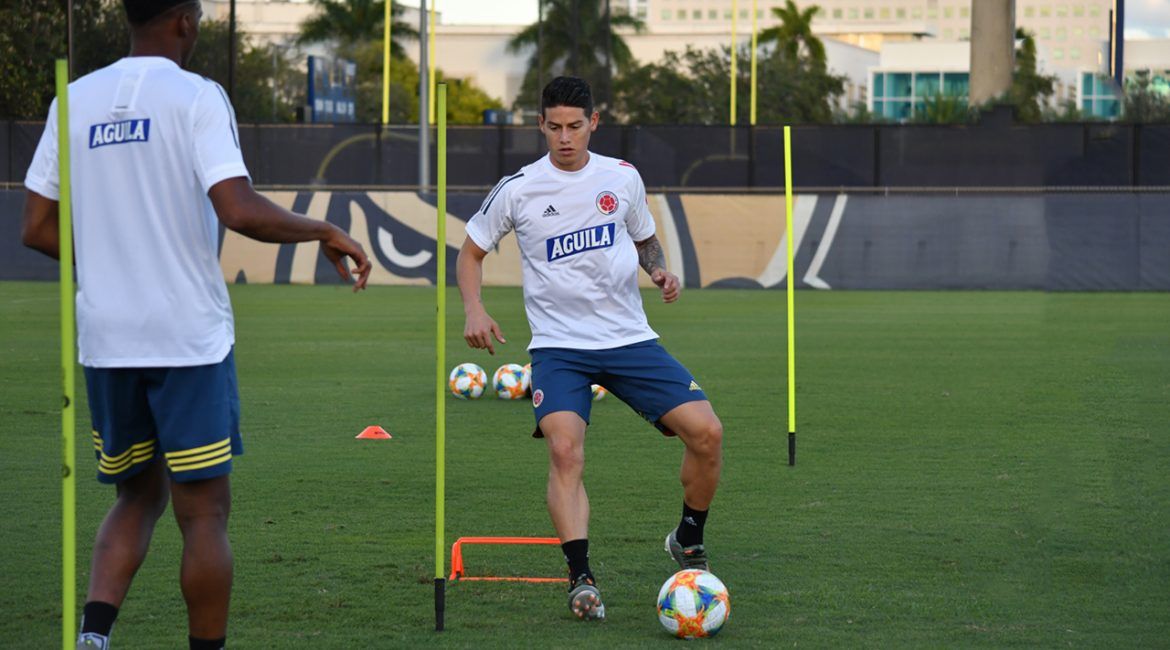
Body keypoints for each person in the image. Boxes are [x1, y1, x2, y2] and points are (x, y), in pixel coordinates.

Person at [21, 2, 371, 648]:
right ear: (184, 20)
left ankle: (93, 640)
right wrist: (322, 228)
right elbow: (236, 209)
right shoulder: (198, 95)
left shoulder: (73, 98)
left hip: (106, 340)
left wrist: (107, 258)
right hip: (186, 337)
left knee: (134, 498)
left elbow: (37, 226)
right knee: (203, 512)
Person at [456, 76, 724, 621]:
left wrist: (659, 270)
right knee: (564, 450)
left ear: (593, 123)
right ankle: (581, 578)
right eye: (553, 127)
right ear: (541, 125)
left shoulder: (621, 177)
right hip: (560, 348)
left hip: (630, 339)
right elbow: (470, 253)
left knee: (708, 433)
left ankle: (687, 538)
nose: (564, 137)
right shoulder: (519, 188)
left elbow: (643, 235)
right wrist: (474, 309)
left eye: (575, 126)